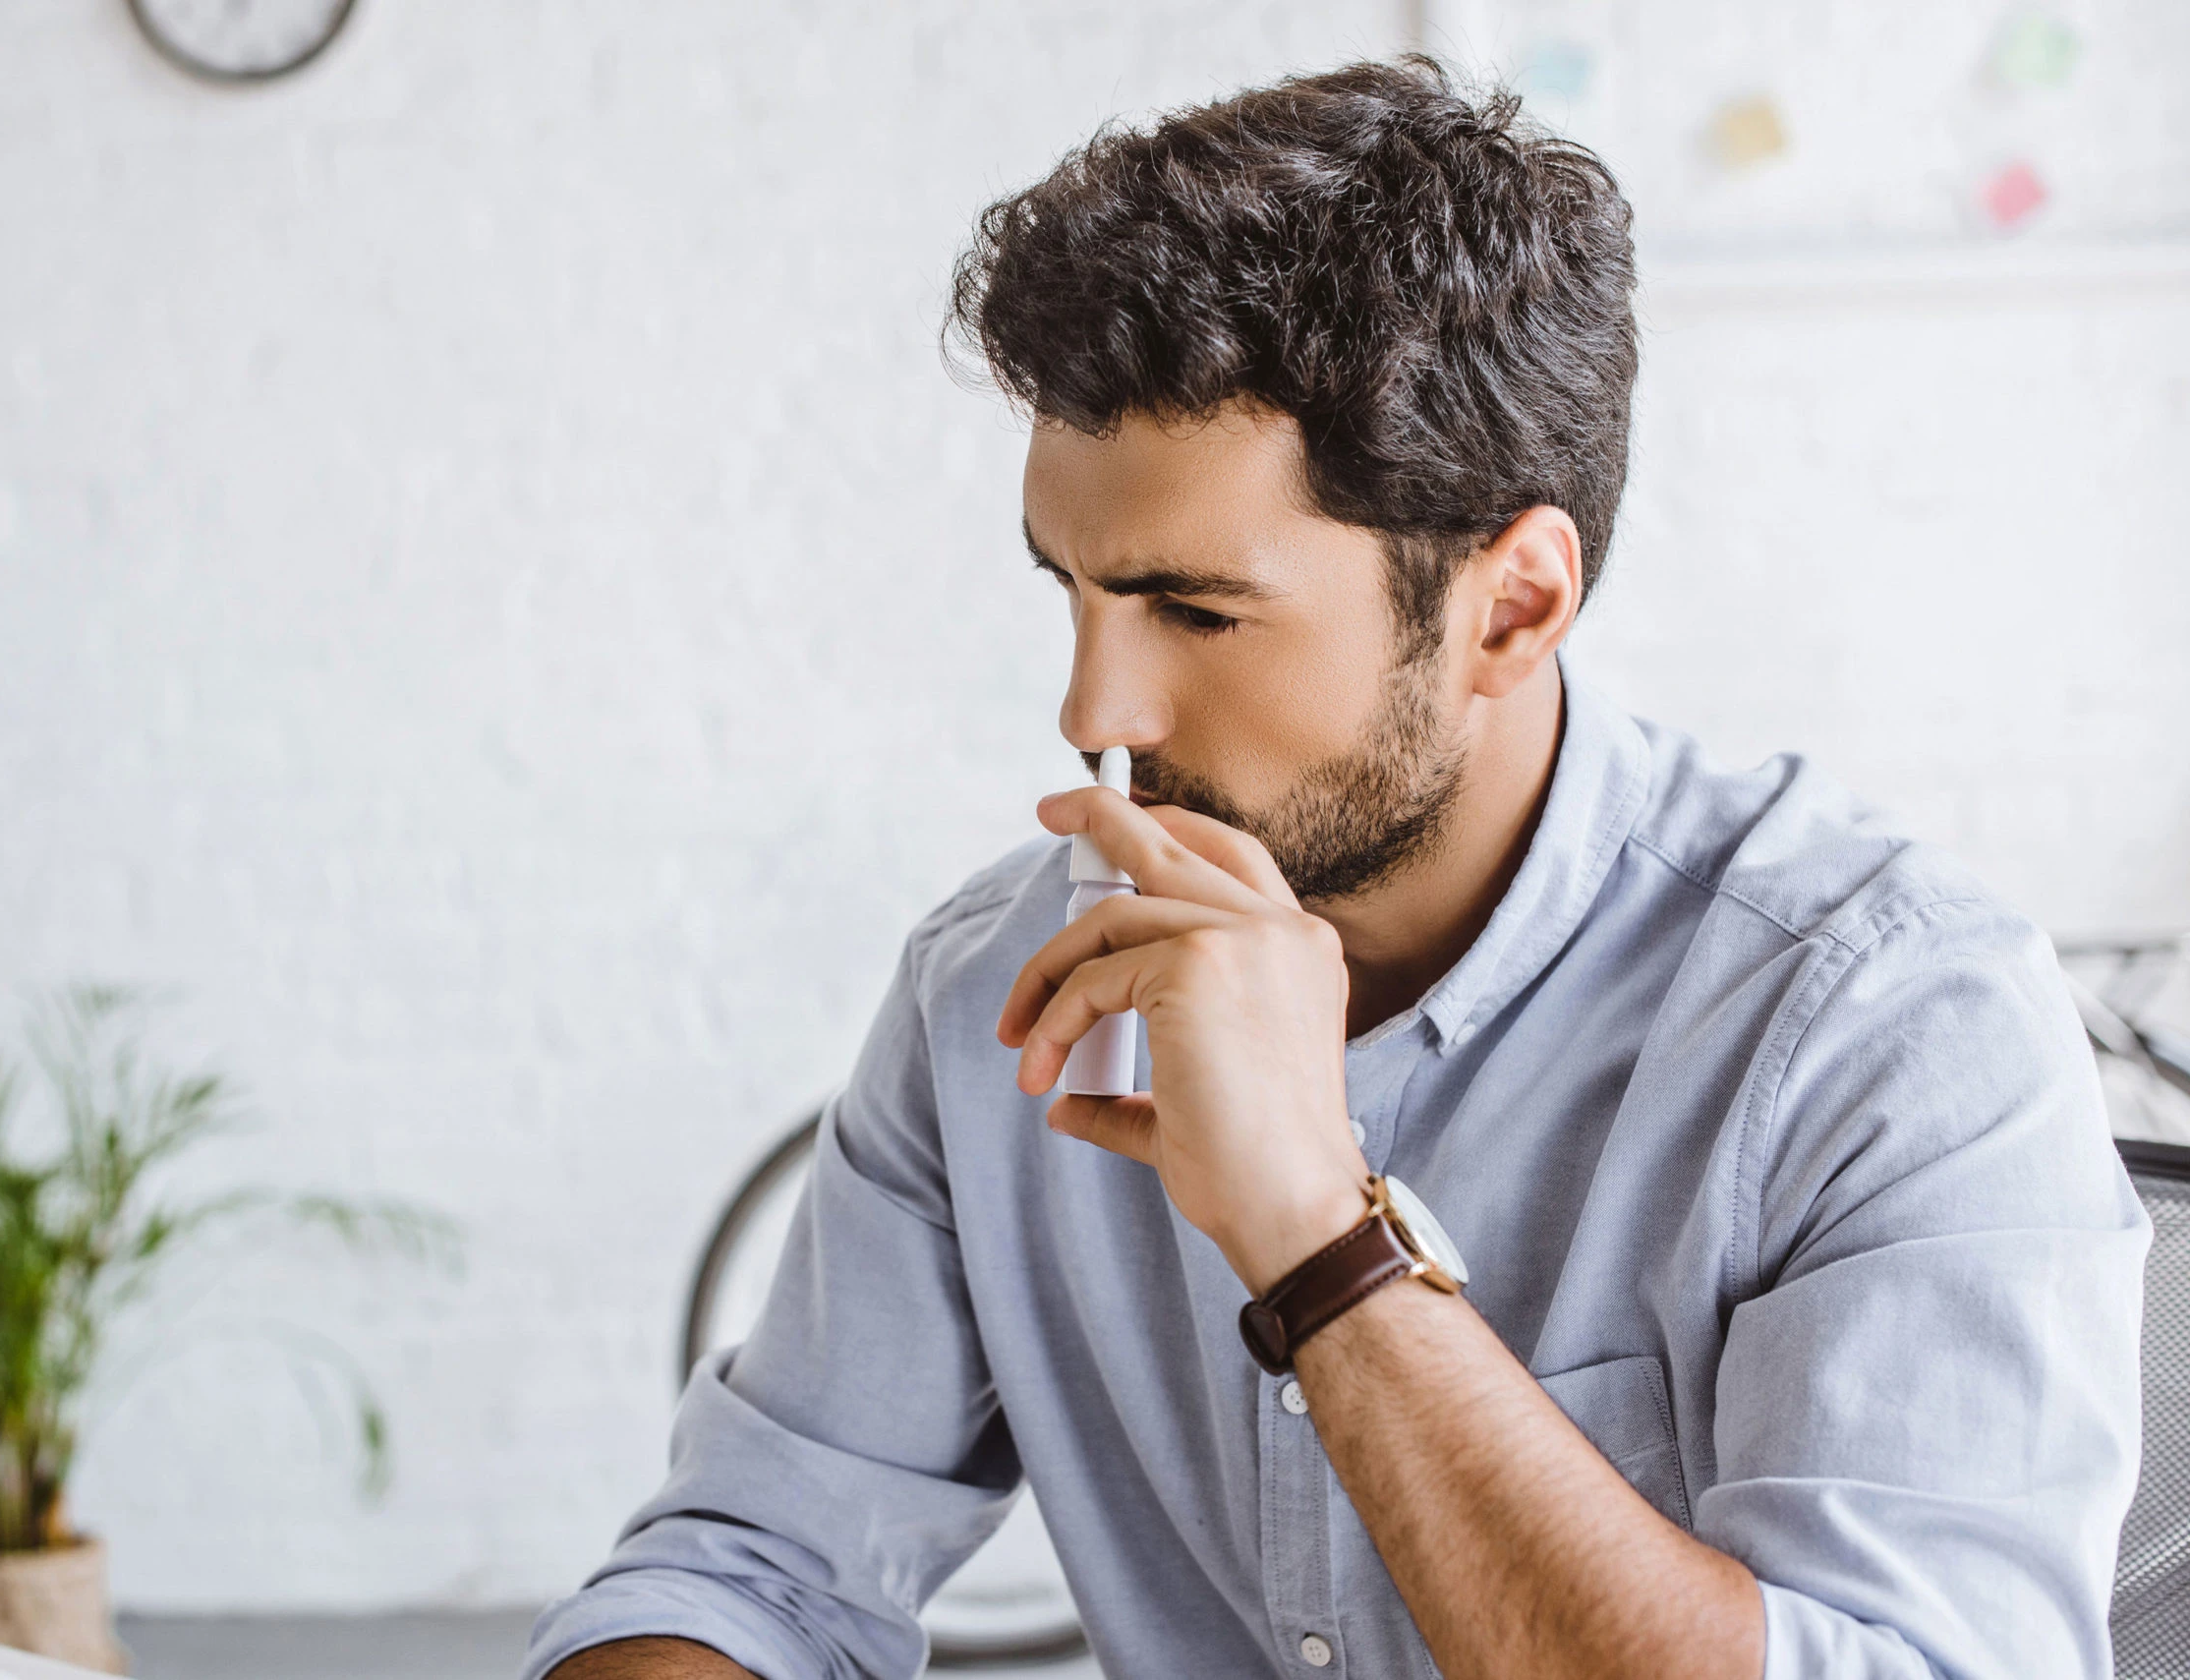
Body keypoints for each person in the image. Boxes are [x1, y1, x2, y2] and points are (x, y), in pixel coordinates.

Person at [520, 58, 2148, 1680]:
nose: (1093, 709)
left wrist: (1324, 1240)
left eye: (1197, 610)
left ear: (1509, 606)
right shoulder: (992, 993)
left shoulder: (1889, 1022)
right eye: (1071, 591)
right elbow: (760, 1567)